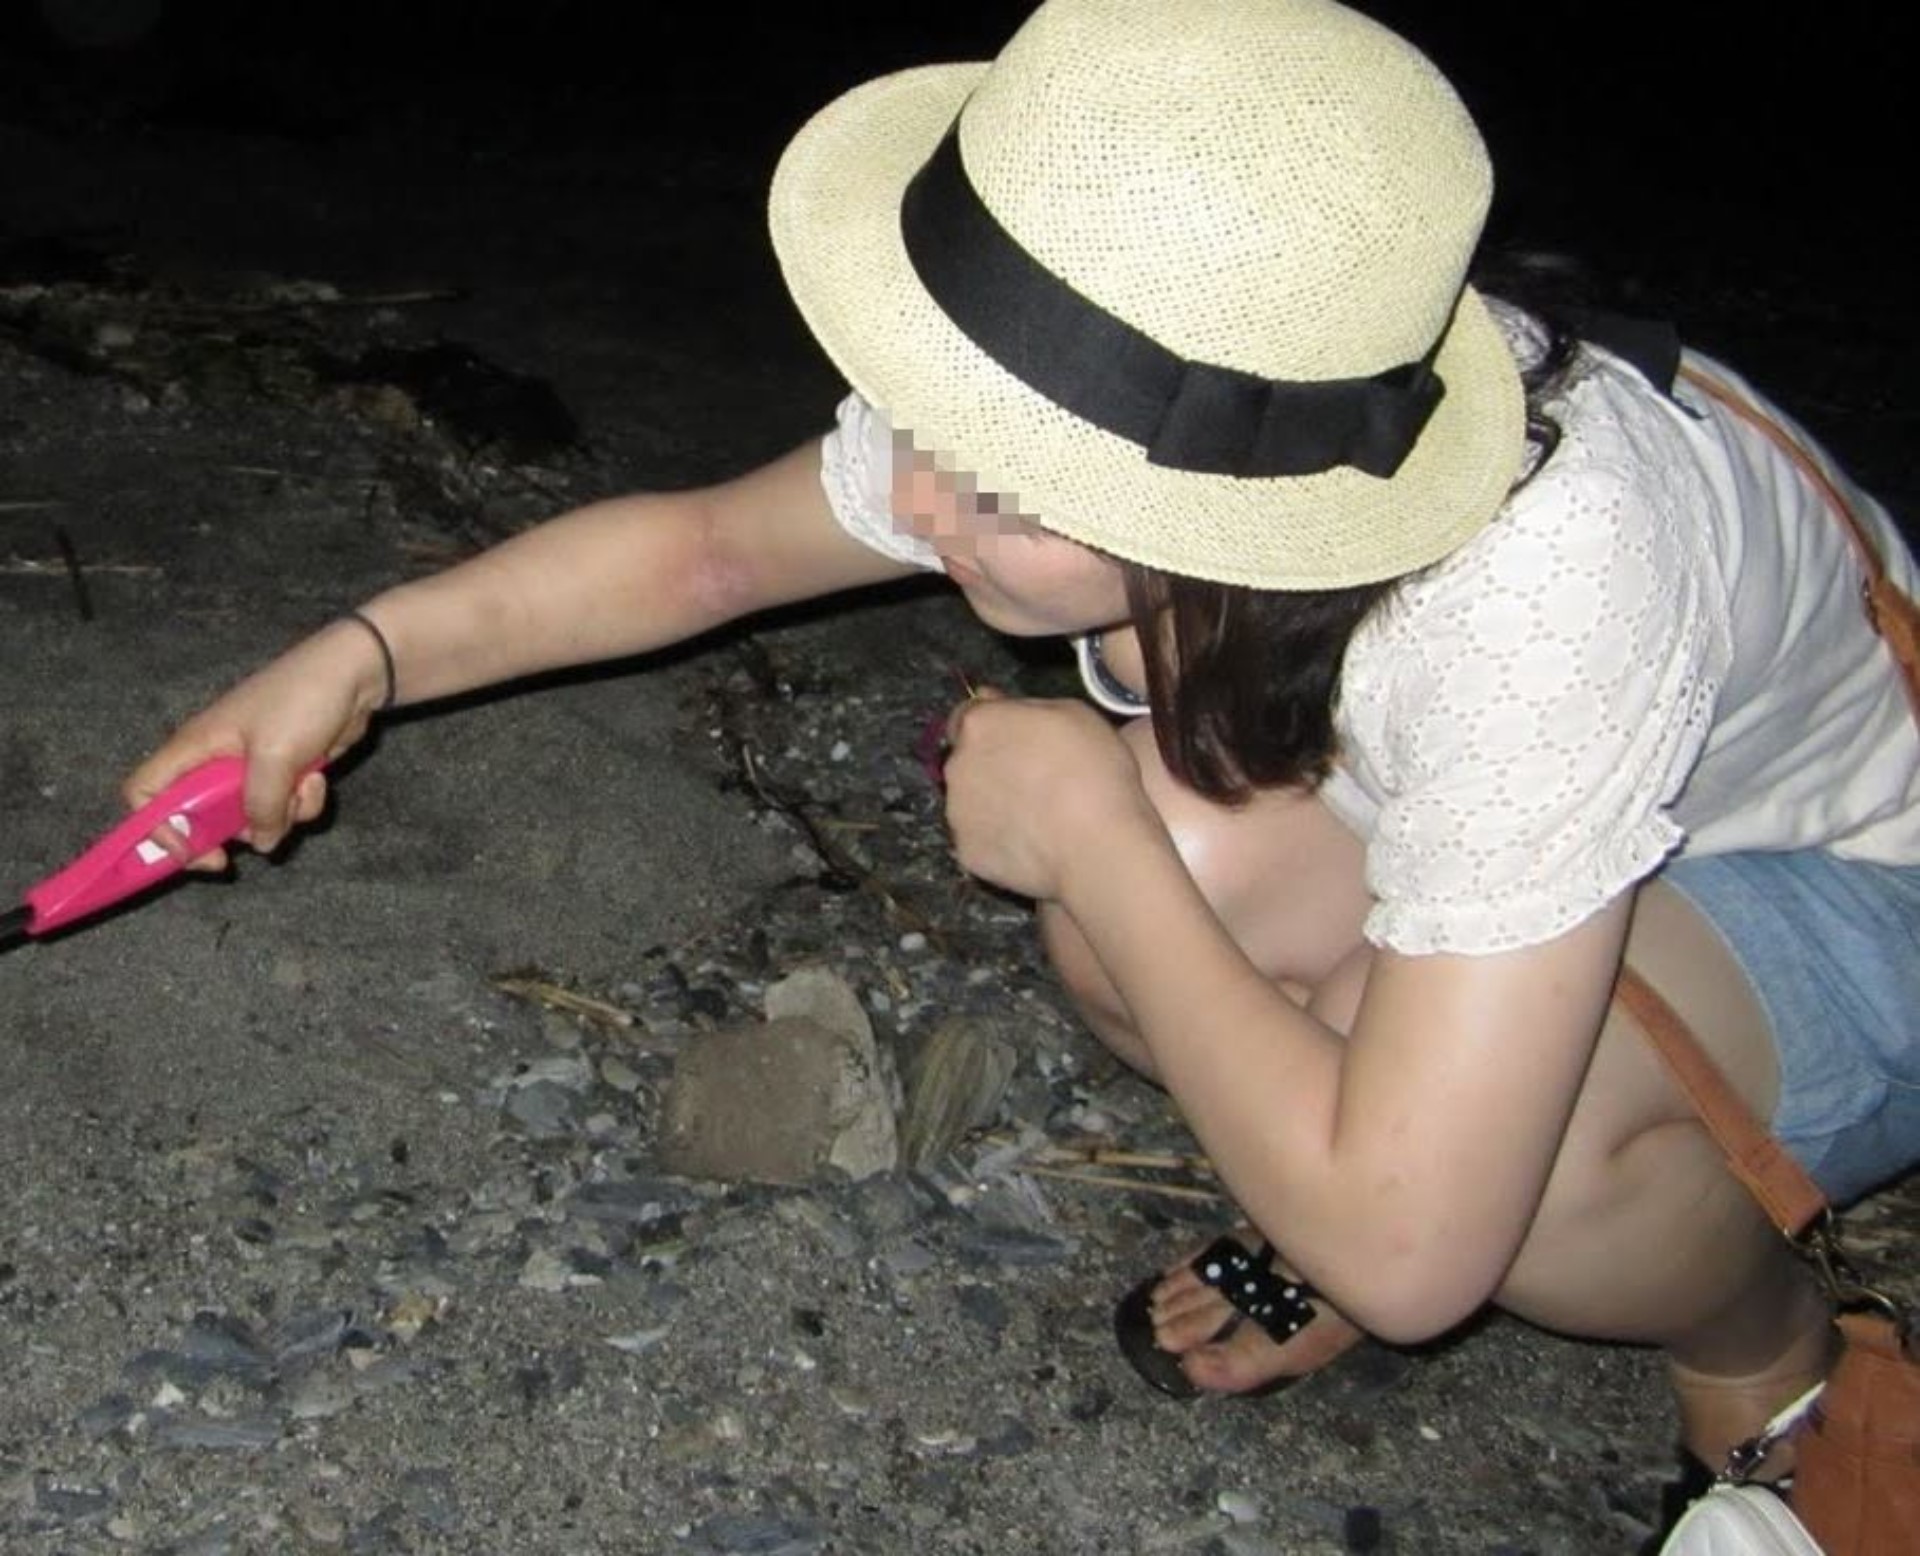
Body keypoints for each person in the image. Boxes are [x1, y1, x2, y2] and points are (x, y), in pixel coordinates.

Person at [128, 0, 1920, 1519]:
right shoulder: (1151, 357)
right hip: (1526, 803)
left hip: (1853, 872)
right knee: (1179, 889)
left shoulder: (1545, 581)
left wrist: (1099, 846)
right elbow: (711, 553)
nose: (918, 501)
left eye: (1002, 484)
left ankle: (1763, 1350)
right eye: (932, 420)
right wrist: (355, 659)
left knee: (1477, 1174)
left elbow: (1416, 1257)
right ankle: (1364, 1127)